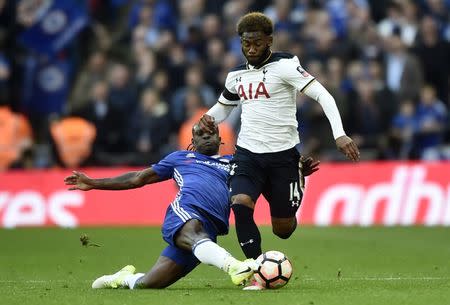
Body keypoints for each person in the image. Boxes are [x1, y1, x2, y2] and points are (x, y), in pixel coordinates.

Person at [198, 12, 359, 273]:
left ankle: (298, 179)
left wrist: (339, 134)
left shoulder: (285, 65)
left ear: (269, 40)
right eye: (246, 43)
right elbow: (223, 108)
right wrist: (205, 119)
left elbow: (323, 95)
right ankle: (255, 269)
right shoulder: (235, 76)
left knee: (282, 230)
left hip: (283, 156)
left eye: (257, 43)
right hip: (248, 153)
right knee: (240, 203)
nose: (251, 49)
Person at [64, 124, 257, 289]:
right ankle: (233, 266)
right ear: (192, 141)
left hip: (211, 229)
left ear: (220, 138)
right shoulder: (180, 158)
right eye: (200, 133)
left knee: (148, 284)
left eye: (211, 132)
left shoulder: (233, 163)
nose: (206, 135)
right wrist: (94, 183)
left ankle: (123, 278)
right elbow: (137, 178)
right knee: (195, 232)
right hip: (186, 213)